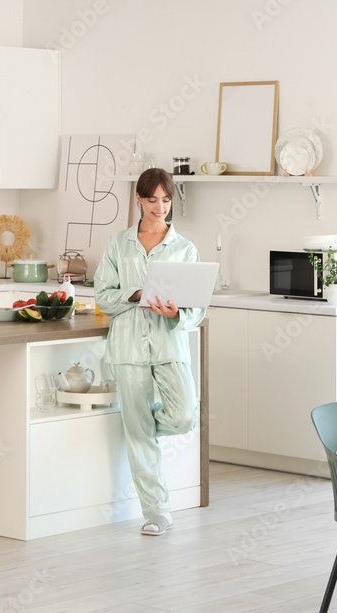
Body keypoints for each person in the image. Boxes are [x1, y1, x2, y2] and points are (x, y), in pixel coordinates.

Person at [94, 168, 205, 536]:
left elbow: (197, 308)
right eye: (153, 199)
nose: (160, 207)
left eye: (166, 199)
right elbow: (103, 297)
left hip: (169, 343)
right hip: (128, 346)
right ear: (139, 200)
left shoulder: (185, 248)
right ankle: (157, 512)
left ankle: (138, 426)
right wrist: (137, 294)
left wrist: (177, 313)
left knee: (185, 416)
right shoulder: (117, 244)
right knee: (139, 432)